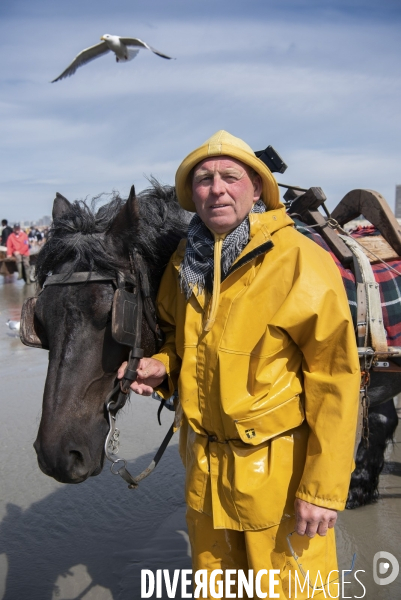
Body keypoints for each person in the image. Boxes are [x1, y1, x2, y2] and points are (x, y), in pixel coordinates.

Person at [118, 131, 360, 598]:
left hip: (281, 481)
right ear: (193, 195)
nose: (217, 189)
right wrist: (162, 368)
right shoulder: (182, 263)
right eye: (204, 180)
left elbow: (335, 378)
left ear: (257, 189)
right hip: (205, 475)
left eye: (231, 177)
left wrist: (321, 491)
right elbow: (177, 340)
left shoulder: (299, 260)